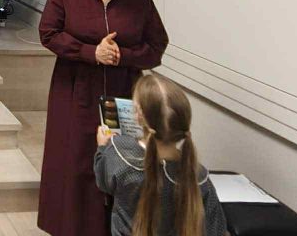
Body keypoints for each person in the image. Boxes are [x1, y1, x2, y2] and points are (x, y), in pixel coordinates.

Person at [37, 0, 169, 236]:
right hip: (75, 88)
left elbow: (156, 46)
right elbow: (49, 34)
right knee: (75, 159)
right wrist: (90, 52)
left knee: (123, 161)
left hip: (125, 92)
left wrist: (122, 56)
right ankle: (71, 227)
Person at [95, 73, 227, 236]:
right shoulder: (198, 177)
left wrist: (102, 148)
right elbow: (216, 229)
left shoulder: (119, 153)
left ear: (139, 116)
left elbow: (103, 182)